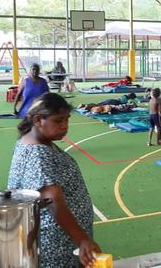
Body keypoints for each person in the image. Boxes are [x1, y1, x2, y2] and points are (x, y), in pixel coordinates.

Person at [8, 93, 100, 267]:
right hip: (56, 243)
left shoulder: (39, 141)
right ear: (38, 120)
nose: (65, 126)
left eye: (67, 120)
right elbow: (52, 200)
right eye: (58, 121)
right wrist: (82, 240)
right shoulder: (38, 154)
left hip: (63, 237)